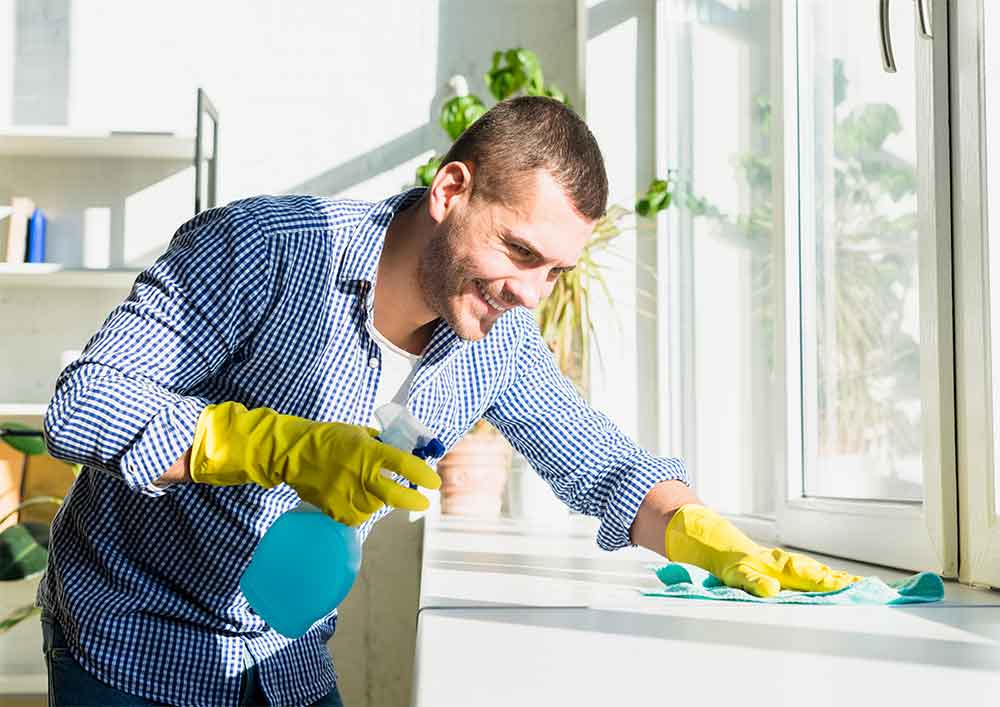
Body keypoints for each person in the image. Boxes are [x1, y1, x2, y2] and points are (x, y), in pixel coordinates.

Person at [39, 96, 858, 706]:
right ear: (451, 189)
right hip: (131, 637)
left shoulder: (494, 341)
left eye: (556, 272)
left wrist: (710, 538)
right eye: (519, 249)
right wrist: (280, 447)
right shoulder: (261, 249)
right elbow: (85, 402)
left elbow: (604, 465)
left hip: (281, 659)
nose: (532, 293)